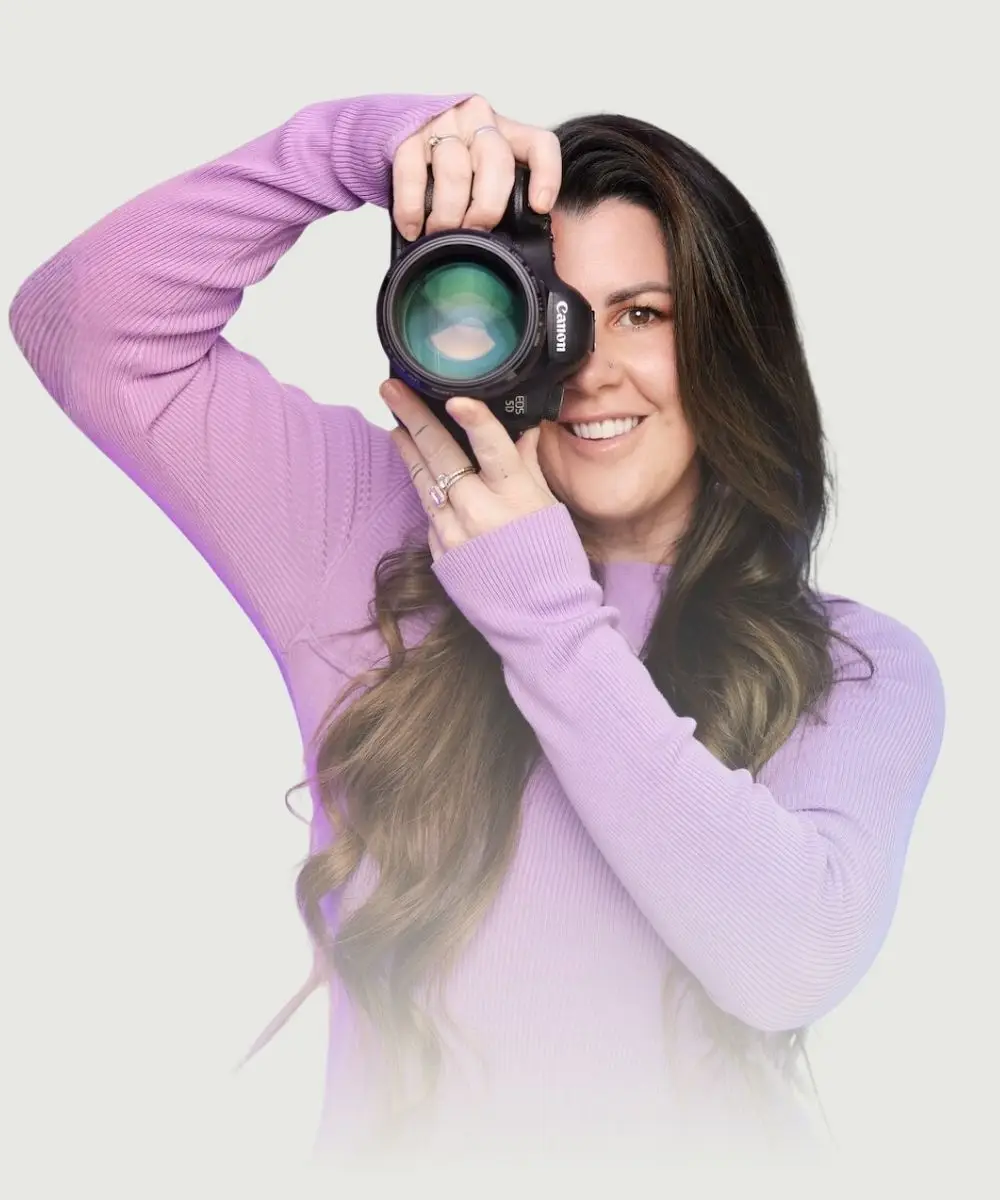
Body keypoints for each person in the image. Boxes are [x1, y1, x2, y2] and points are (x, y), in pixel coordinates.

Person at [8, 91, 945, 1175]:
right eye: (548, 307)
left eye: (643, 314)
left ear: (731, 345)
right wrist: (359, 149)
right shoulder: (367, 532)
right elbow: (84, 325)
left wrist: (535, 597)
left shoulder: (851, 667)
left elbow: (791, 962)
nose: (587, 364)